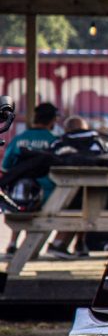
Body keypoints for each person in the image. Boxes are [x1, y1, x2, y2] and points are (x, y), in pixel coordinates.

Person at [46, 116, 108, 259]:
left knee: (75, 202)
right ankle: (74, 243)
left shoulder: (59, 142)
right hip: (97, 189)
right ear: (85, 127)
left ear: (67, 129)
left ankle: (63, 243)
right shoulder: (98, 141)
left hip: (62, 193)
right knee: (89, 200)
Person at [1, 103, 59, 258]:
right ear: (53, 120)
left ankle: (13, 243)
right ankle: (30, 247)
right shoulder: (54, 141)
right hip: (48, 196)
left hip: (19, 198)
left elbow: (6, 167)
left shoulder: (18, 139)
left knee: (18, 192)